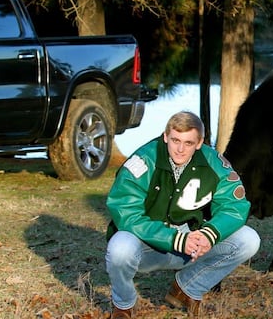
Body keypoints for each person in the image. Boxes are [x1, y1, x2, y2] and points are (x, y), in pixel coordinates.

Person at [105, 111, 261, 318]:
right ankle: (123, 304)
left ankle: (186, 289)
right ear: (165, 136)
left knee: (248, 239)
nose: (180, 149)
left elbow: (234, 205)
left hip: (193, 243)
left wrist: (209, 233)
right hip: (148, 244)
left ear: (199, 143)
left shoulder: (213, 162)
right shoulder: (143, 160)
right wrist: (174, 239)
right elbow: (127, 212)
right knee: (119, 248)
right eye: (175, 140)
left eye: (188, 143)